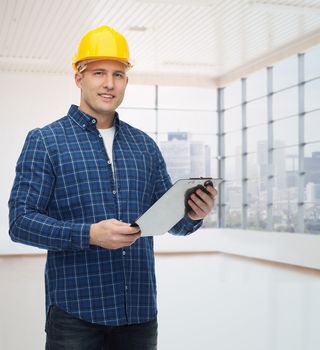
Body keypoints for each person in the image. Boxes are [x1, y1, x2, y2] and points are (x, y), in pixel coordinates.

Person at [8, 25, 217, 350]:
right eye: (99, 73)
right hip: (75, 314)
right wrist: (89, 234)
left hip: (139, 312)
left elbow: (172, 222)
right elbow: (20, 222)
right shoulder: (46, 141)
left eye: (118, 74)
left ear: (126, 81)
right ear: (79, 78)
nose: (109, 83)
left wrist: (193, 214)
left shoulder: (143, 145)